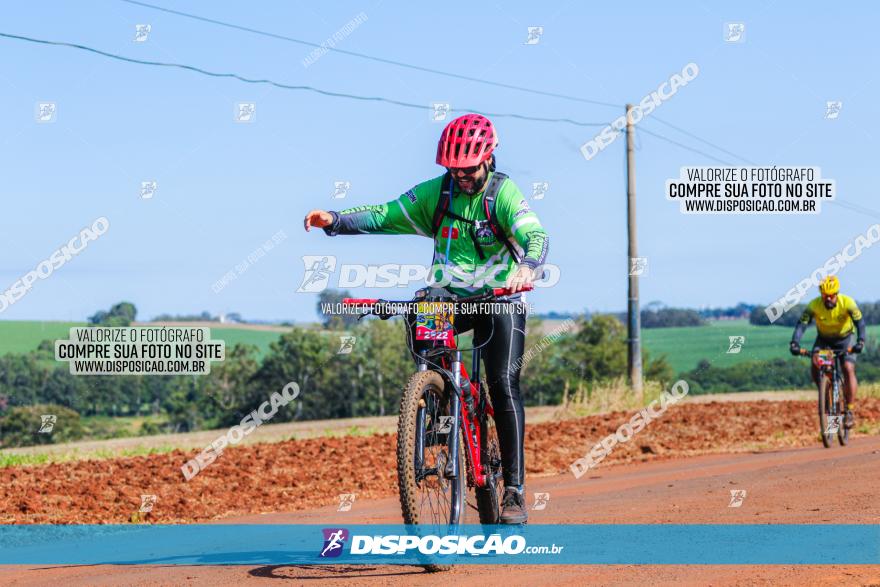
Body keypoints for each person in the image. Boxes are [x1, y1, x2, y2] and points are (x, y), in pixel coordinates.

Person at [304, 113, 549, 524]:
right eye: (454, 169)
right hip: (449, 298)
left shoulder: (503, 194)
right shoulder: (437, 194)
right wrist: (336, 221)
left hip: (499, 297)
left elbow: (534, 233)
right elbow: (386, 214)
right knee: (425, 306)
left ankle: (513, 489)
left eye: (469, 169)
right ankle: (438, 399)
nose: (462, 176)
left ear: (488, 158)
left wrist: (528, 266)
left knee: (503, 384)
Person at [790, 275, 866, 428]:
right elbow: (801, 324)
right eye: (825, 296)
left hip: (845, 339)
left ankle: (849, 411)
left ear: (837, 294)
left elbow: (860, 323)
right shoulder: (814, 305)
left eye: (832, 295)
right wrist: (794, 342)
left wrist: (861, 341)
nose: (829, 299)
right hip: (824, 340)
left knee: (847, 368)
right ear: (822, 295)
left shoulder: (848, 303)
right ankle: (826, 394)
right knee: (815, 363)